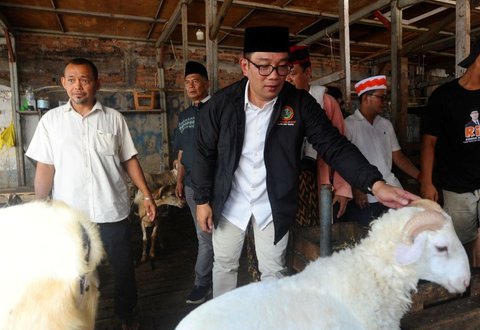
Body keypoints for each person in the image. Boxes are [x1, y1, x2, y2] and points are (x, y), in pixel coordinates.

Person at [191, 26, 418, 298]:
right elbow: (201, 152)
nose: (274, 76)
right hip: (229, 202)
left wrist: (375, 184)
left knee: (274, 271)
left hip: (272, 203)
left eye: (282, 67)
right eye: (264, 67)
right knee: (225, 265)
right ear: (245, 66)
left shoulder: (299, 104)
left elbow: (333, 145)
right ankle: (222, 328)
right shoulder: (221, 104)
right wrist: (203, 200)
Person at [25, 58, 156, 330]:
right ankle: (73, 323)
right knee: (72, 273)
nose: (77, 86)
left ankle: (126, 313)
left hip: (112, 210)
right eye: (71, 79)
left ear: (97, 83)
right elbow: (45, 167)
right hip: (71, 215)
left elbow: (129, 160)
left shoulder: (114, 119)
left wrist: (147, 195)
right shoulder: (51, 122)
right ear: (63, 83)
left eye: (84, 79)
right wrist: (40, 206)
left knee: (123, 268)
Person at [420, 38, 480, 264]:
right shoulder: (444, 97)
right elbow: (429, 142)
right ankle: (460, 287)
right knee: (459, 242)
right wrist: (426, 180)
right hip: (457, 187)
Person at [342, 75, 420, 227]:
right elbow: (343, 162)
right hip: (367, 195)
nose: (385, 102)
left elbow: (398, 156)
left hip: (392, 188)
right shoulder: (349, 125)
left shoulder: (385, 124)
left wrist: (420, 176)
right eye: (381, 98)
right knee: (371, 237)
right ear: (366, 98)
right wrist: (356, 188)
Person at [286, 45, 352, 222]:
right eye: (284, 73)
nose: (287, 79)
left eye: (292, 73)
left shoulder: (326, 102)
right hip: (286, 183)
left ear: (308, 72)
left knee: (318, 232)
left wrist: (342, 187)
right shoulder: (279, 104)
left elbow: (340, 146)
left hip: (319, 182)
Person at [173, 61, 213, 304]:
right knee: (204, 236)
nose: (191, 86)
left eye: (195, 80)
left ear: (207, 83)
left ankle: (204, 282)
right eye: (187, 82)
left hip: (214, 185)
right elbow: (181, 153)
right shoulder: (184, 116)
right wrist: (179, 180)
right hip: (190, 186)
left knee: (213, 237)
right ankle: (205, 281)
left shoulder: (217, 109)